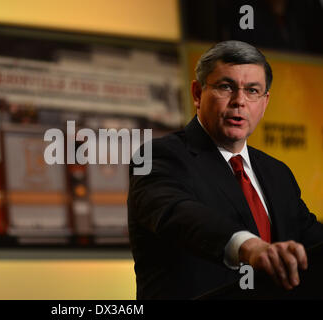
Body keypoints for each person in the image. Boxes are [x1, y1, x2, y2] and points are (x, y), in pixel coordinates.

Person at [127, 40, 323, 299]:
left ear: (264, 103)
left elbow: (309, 239)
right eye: (225, 87)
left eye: (252, 91)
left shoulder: (278, 173)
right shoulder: (157, 156)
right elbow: (179, 214)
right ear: (197, 94)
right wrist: (250, 248)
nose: (239, 101)